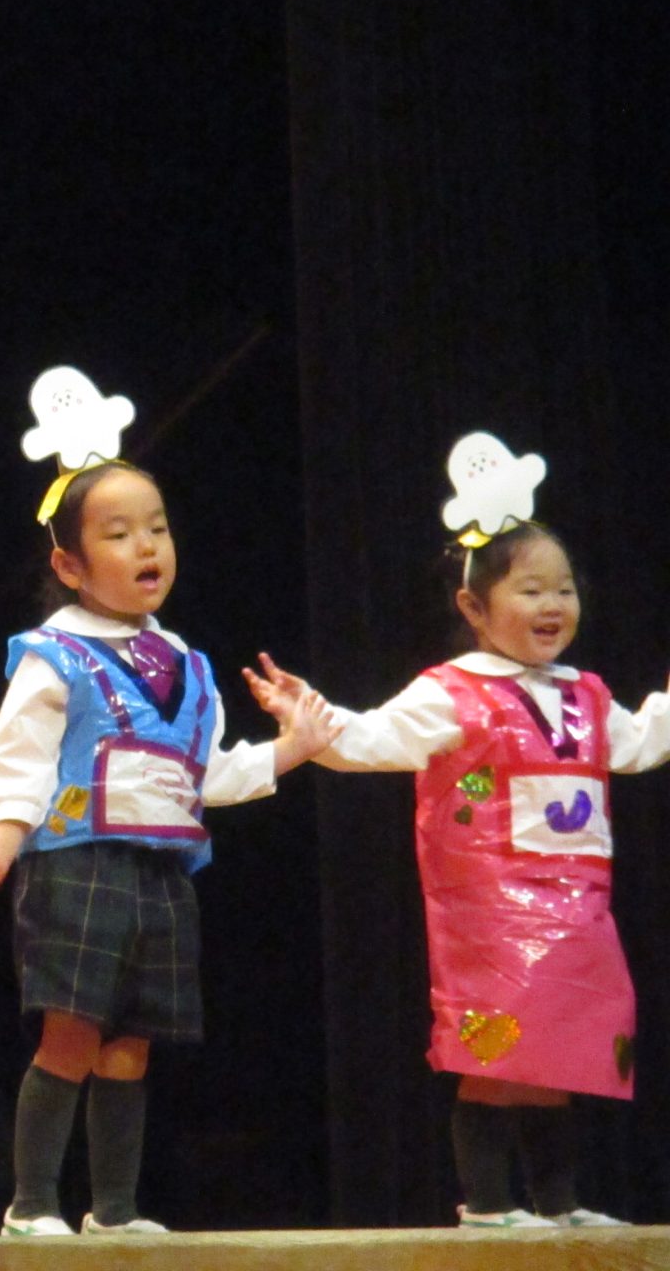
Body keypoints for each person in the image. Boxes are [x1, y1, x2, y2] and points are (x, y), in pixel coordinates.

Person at [0, 366, 334, 1237]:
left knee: (131, 1046)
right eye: (119, 534)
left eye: (157, 527)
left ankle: (113, 1210)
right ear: (69, 564)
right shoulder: (55, 654)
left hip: (161, 873)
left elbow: (205, 776)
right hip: (77, 865)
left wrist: (290, 749)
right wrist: (0, 843)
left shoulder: (185, 661)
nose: (148, 546)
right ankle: (32, 1204)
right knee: (72, 1036)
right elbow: (18, 759)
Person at [247, 431, 665, 1229]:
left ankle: (559, 1203)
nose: (552, 605)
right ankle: (489, 1203)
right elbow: (369, 738)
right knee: (498, 1047)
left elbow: (641, 742)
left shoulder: (586, 694)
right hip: (491, 908)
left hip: (577, 906)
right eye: (530, 590)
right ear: (474, 607)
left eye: (564, 589)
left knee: (558, 1050)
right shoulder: (452, 692)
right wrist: (311, 717)